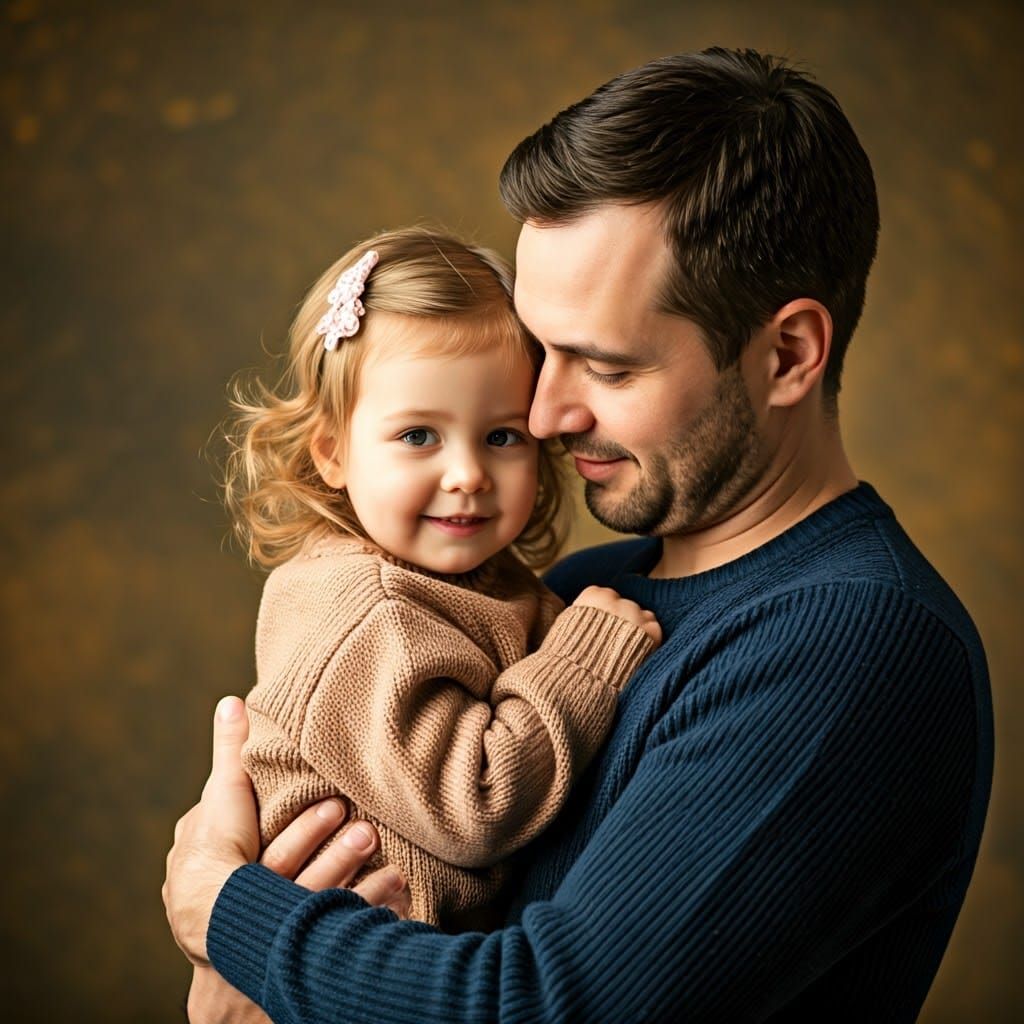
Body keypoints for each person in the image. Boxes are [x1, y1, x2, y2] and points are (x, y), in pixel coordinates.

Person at [164, 48, 993, 1023]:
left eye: (604, 366)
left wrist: (228, 909)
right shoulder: (582, 587)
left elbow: (548, 1005)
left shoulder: (855, 647)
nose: (544, 415)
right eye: (541, 351)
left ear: (787, 354)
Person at [221, 227, 660, 929]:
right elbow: (476, 804)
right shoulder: (365, 609)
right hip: (365, 958)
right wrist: (586, 660)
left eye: (501, 436)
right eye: (418, 436)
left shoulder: (483, 580)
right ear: (333, 453)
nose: (467, 475)